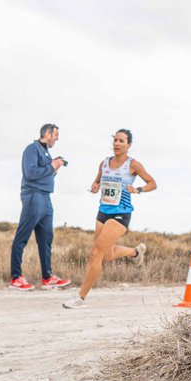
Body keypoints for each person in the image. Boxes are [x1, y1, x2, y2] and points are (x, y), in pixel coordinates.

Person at [63, 129, 154, 309]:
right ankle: (135, 252)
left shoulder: (133, 164)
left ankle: (80, 298)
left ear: (128, 145)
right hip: (103, 211)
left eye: (121, 141)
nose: (117, 144)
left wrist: (139, 190)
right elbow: (97, 182)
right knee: (107, 255)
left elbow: (152, 183)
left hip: (121, 213)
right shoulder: (104, 163)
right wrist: (95, 187)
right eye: (115, 140)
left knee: (96, 252)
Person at [9, 124, 72, 291]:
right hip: (33, 196)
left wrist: (54, 168)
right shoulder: (32, 149)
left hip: (46, 198)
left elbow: (43, 172)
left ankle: (47, 277)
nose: (57, 138)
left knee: (46, 239)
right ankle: (16, 278)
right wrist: (52, 166)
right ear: (47, 133)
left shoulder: (46, 152)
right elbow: (30, 173)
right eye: (56, 134)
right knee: (22, 236)